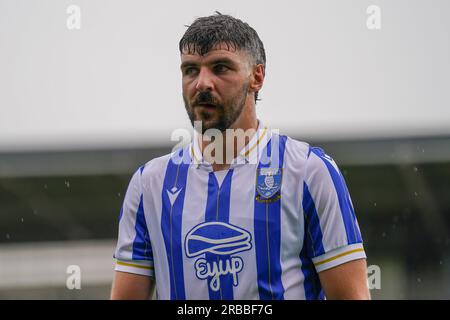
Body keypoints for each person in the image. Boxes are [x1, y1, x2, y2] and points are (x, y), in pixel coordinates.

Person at [110, 12, 370, 300]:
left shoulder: (308, 170)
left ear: (256, 77)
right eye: (191, 70)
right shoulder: (149, 184)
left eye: (220, 68)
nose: (202, 83)